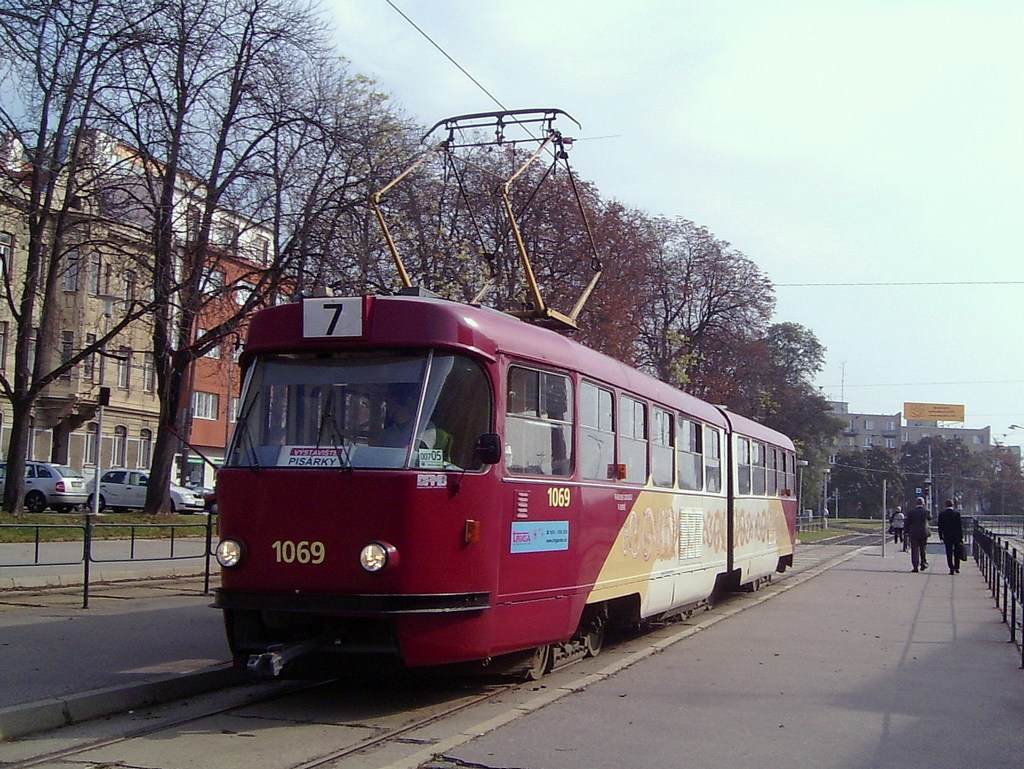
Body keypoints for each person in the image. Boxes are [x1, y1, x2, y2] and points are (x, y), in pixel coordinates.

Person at [936, 499, 964, 575]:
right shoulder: (957, 514)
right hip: (956, 536)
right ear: (952, 505)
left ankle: (951, 568)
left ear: (945, 505)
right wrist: (961, 537)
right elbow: (960, 526)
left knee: (949, 552)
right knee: (957, 552)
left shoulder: (942, 514)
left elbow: (940, 527)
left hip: (947, 536)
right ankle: (957, 567)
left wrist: (941, 537)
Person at [903, 497, 931, 572]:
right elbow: (929, 518)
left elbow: (907, 522)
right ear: (923, 503)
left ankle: (915, 566)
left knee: (914, 550)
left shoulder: (911, 512)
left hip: (914, 533)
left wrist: (906, 531)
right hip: (923, 533)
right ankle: (923, 563)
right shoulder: (926, 511)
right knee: (923, 549)